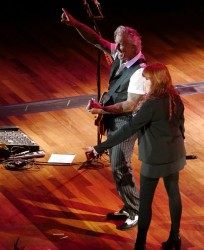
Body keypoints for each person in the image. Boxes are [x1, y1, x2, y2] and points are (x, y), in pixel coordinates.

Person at [61, 8, 147, 230]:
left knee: (120, 165)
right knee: (117, 165)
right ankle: (129, 206)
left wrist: (102, 109)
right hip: (113, 116)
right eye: (116, 43)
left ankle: (136, 211)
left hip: (126, 122)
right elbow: (97, 40)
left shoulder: (140, 71)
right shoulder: (121, 55)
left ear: (134, 47)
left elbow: (130, 105)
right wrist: (76, 24)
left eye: (120, 45)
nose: (115, 48)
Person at [85, 63, 186, 250]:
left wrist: (99, 147)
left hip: (155, 159)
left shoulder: (151, 105)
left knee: (145, 202)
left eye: (147, 79)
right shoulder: (175, 97)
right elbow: (181, 124)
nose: (144, 81)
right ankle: (175, 237)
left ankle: (140, 244)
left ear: (155, 81)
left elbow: (128, 129)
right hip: (175, 154)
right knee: (174, 194)